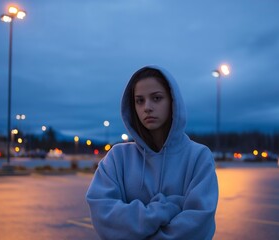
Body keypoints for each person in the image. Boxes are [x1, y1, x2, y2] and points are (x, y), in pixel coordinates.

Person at [85, 65, 219, 239]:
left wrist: (132, 219)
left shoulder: (198, 157)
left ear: (173, 101)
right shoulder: (118, 158)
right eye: (139, 100)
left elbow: (198, 226)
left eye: (156, 98)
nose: (147, 107)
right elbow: (103, 214)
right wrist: (167, 209)